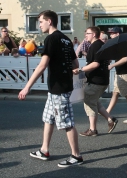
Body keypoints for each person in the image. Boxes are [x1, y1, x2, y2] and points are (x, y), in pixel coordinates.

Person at [18, 10, 83, 167]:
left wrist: (27, 87)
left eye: (41, 21)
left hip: (59, 88)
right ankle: (44, 150)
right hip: (58, 87)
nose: (39, 25)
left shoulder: (51, 39)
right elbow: (76, 64)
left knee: (66, 122)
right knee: (48, 118)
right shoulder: (66, 40)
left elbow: (42, 65)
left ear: (49, 22)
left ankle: (76, 156)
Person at [73, 26, 118, 136]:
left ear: (94, 34)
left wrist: (80, 69)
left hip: (96, 80)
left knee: (89, 102)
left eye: (88, 33)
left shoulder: (95, 46)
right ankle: (111, 119)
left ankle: (93, 130)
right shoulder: (101, 45)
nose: (85, 35)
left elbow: (96, 63)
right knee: (94, 101)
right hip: (102, 79)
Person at [106, 27, 127, 123]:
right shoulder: (118, 44)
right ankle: (107, 111)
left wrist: (112, 65)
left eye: (112, 33)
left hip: (124, 73)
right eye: (110, 33)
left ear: (118, 34)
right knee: (115, 93)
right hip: (119, 73)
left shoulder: (123, 44)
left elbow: (125, 59)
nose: (110, 35)